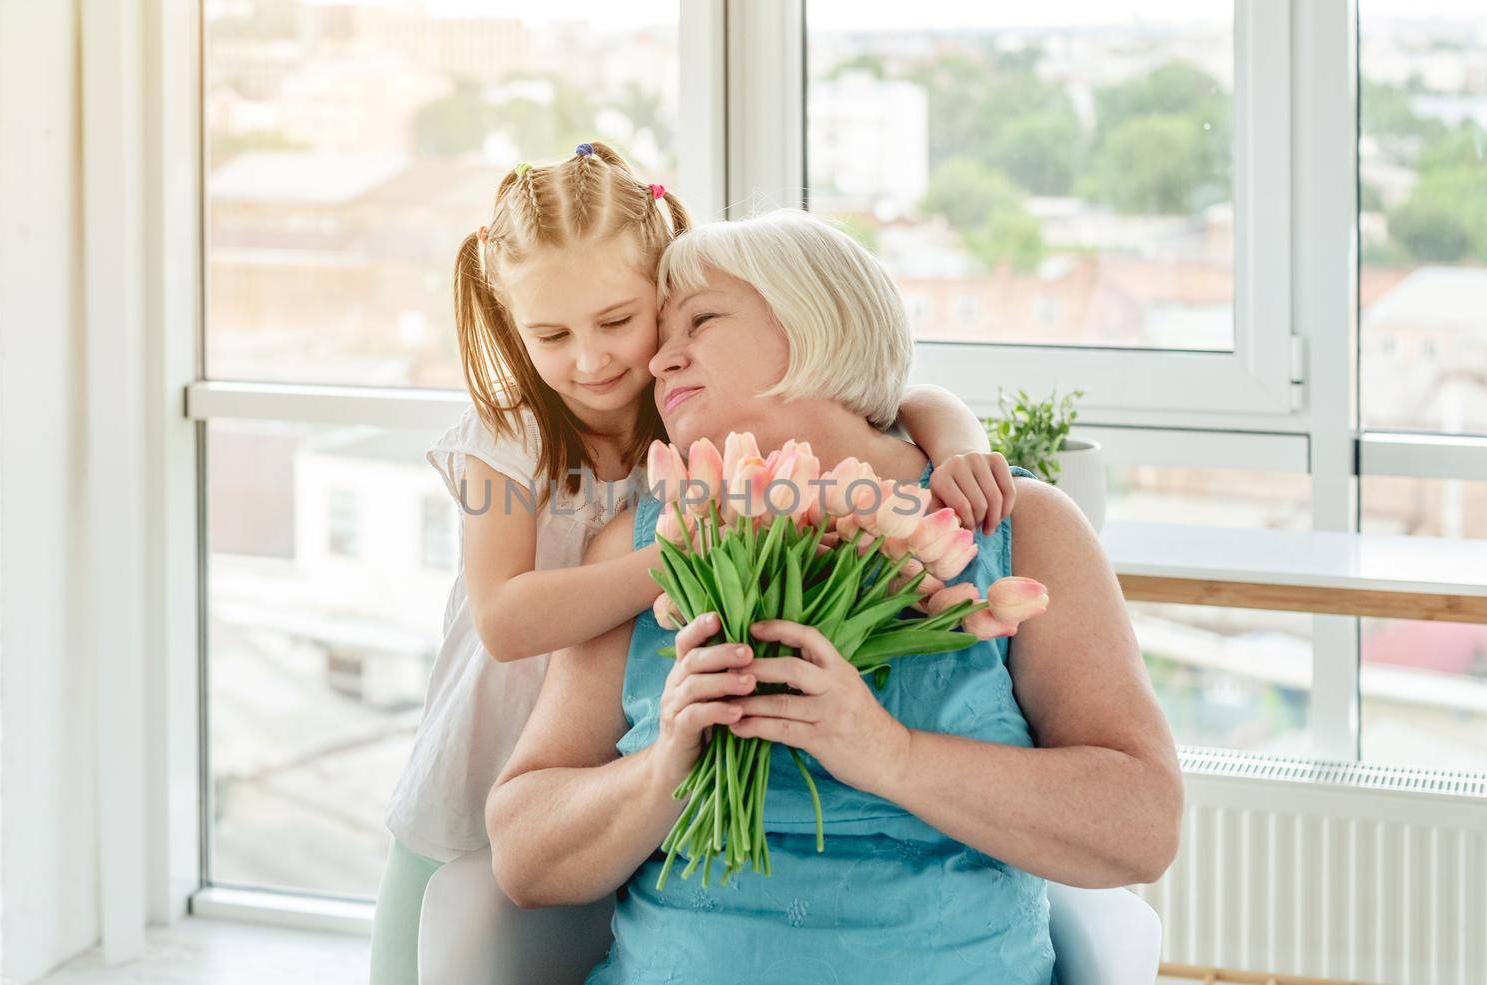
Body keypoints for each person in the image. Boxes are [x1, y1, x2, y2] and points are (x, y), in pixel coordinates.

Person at [370, 148, 1021, 985]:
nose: (591, 359)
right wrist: (679, 553)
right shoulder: (510, 437)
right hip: (490, 753)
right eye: (551, 335)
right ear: (512, 324)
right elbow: (505, 621)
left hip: (623, 755)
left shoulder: (682, 410)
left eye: (617, 321)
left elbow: (893, 398)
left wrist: (960, 442)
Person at [487, 210, 1183, 984]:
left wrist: (891, 755)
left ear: (816, 320)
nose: (657, 359)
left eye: (699, 320)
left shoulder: (1017, 526)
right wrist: (665, 767)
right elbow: (522, 855)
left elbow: (1142, 826)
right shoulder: (649, 542)